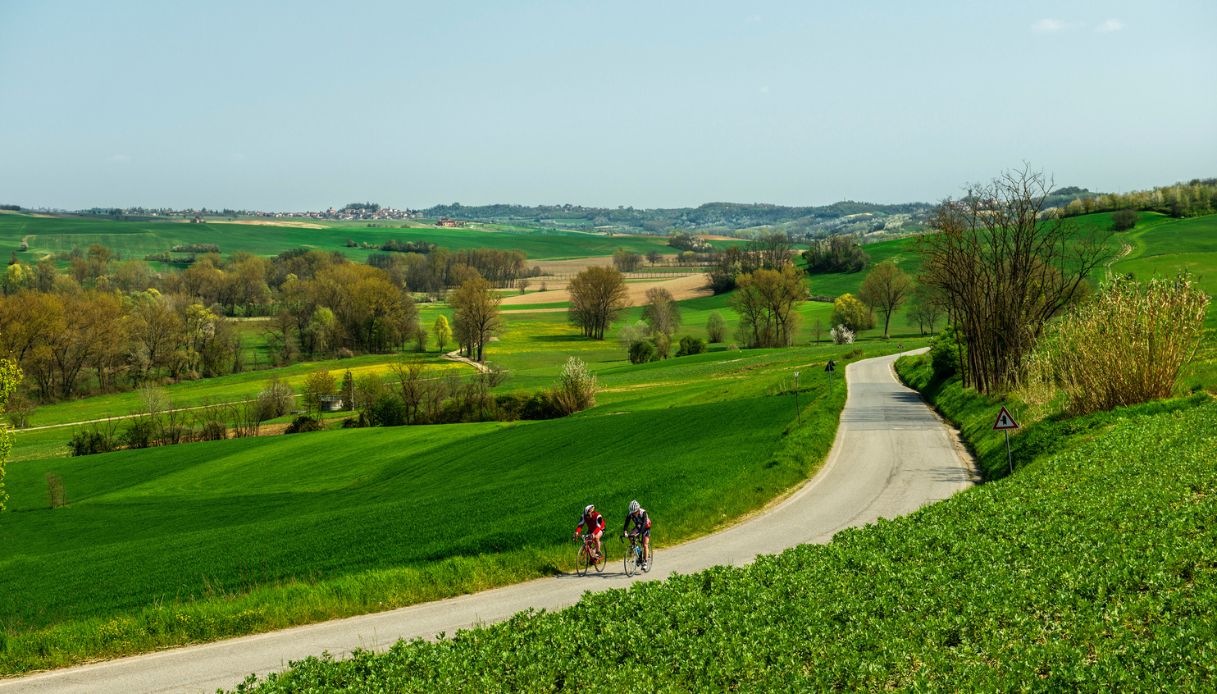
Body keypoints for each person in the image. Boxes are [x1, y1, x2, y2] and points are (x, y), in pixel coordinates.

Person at [621, 499, 651, 569]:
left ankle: (645, 562)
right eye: (632, 512)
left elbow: (644, 524)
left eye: (635, 512)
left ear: (638, 510)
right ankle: (638, 552)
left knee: (645, 544)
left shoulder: (643, 512)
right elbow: (626, 523)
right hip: (638, 526)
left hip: (646, 527)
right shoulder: (630, 513)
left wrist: (639, 533)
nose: (633, 514)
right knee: (630, 536)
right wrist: (625, 531)